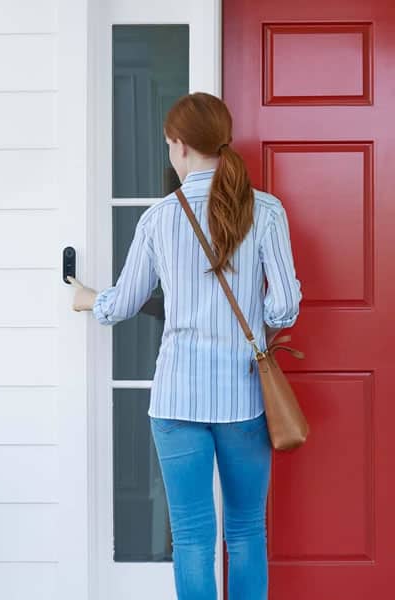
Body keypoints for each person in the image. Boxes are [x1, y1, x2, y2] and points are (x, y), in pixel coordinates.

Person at [68, 91, 302, 599]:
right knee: (245, 531)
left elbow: (119, 305)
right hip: (243, 401)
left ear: (177, 146)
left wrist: (86, 297)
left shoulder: (158, 219)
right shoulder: (266, 211)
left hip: (176, 402)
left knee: (193, 537)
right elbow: (284, 309)